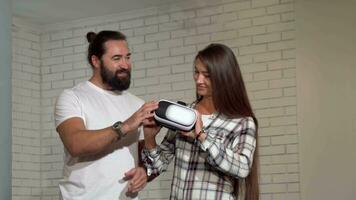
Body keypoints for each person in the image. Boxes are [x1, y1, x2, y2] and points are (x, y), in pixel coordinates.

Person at [142, 43, 259, 200]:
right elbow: (156, 166)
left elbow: (243, 168)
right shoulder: (185, 115)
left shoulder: (242, 122)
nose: (199, 80)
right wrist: (149, 139)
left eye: (207, 75)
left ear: (224, 76)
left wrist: (202, 136)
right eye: (196, 72)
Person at [54, 30, 158, 200]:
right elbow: (75, 144)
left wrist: (143, 172)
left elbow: (144, 162)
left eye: (128, 57)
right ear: (96, 61)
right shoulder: (72, 97)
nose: (125, 65)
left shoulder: (137, 104)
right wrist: (125, 126)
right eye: (116, 59)